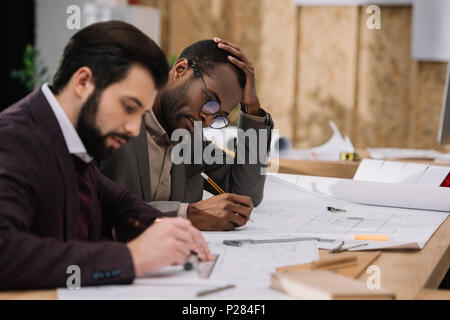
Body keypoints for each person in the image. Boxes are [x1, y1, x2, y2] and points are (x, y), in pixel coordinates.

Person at [0, 21, 211, 290]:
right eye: (128, 107)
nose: (134, 129)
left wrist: (162, 226)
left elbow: (117, 201)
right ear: (83, 82)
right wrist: (132, 257)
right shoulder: (15, 139)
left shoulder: (68, 136)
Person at [101, 38, 274, 231]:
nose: (207, 120)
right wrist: (186, 215)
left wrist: (252, 109)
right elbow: (95, 211)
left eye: (219, 115)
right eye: (210, 100)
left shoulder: (191, 139)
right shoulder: (109, 122)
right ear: (180, 70)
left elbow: (246, 193)